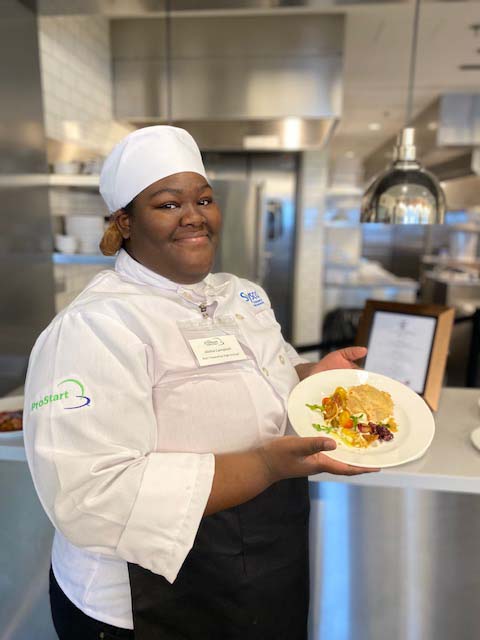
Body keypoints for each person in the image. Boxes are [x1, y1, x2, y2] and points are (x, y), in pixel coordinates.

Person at [23, 126, 377, 640]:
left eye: (204, 199)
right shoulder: (95, 327)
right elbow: (89, 497)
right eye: (168, 204)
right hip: (147, 599)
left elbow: (264, 378)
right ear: (125, 222)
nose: (194, 216)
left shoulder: (242, 296)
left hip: (262, 565)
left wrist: (309, 379)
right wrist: (262, 464)